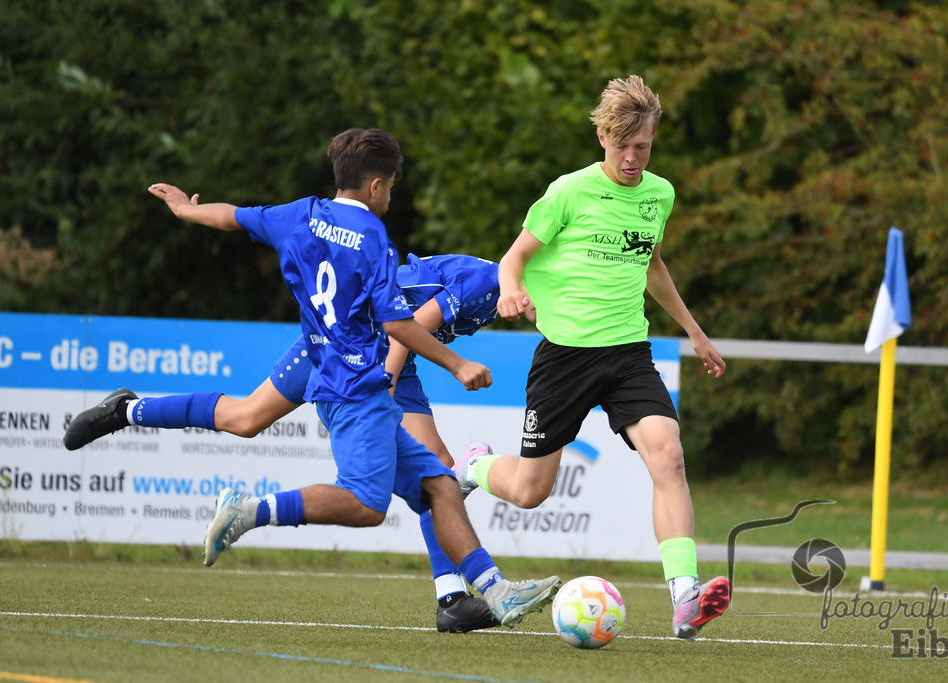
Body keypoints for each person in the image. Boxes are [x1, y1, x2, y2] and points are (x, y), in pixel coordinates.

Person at [139, 127, 560, 628]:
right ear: (378, 186)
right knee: (364, 500)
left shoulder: (302, 213)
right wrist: (447, 368)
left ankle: (488, 592)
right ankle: (248, 511)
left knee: (440, 483)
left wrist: (187, 211)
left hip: (338, 352)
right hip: (358, 369)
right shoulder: (422, 260)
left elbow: (232, 216)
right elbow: (402, 326)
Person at [63, 253, 533, 633]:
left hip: (382, 354)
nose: (549, 312)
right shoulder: (486, 284)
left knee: (439, 470)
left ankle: (451, 599)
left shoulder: (502, 292)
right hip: (346, 343)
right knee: (245, 418)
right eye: (552, 299)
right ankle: (125, 410)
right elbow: (403, 330)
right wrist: (383, 389)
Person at [453, 76, 732, 640]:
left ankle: (684, 597)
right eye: (623, 146)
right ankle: (475, 466)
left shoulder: (660, 194)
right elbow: (515, 258)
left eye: (643, 147)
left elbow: (651, 264)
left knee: (669, 458)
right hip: (565, 359)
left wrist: (695, 332)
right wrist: (510, 289)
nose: (632, 158)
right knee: (531, 493)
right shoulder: (567, 193)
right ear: (603, 137)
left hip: (628, 354)